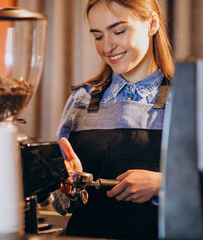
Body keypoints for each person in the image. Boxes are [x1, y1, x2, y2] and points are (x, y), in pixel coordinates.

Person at [52, 0, 174, 239]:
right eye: (98, 36)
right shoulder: (81, 100)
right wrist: (69, 187)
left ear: (152, 24)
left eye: (119, 31)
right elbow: (61, 206)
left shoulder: (187, 100)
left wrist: (164, 184)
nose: (107, 46)